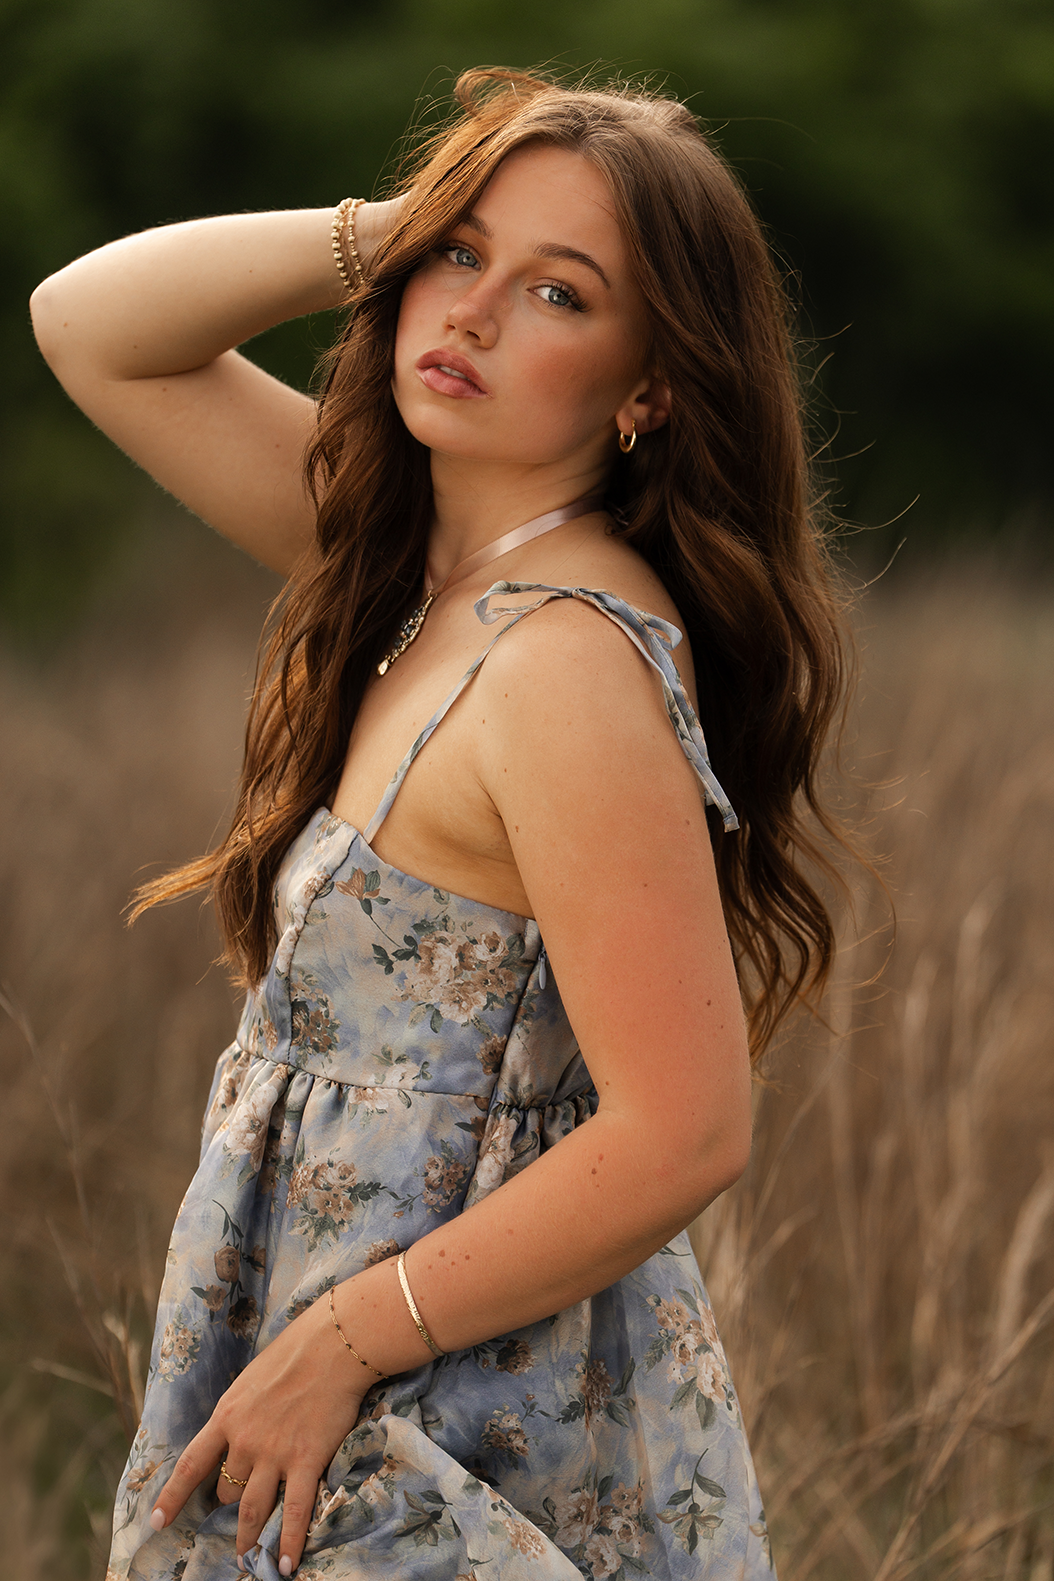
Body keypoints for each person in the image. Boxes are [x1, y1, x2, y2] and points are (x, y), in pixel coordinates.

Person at [31, 67, 847, 1581]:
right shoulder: (420, 572)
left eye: (555, 293)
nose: (467, 314)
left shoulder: (564, 667)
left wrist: (340, 1343)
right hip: (350, 1354)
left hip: (455, 1396)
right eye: (459, 260)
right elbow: (90, 324)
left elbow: (685, 1130)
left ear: (649, 385)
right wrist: (401, 224)